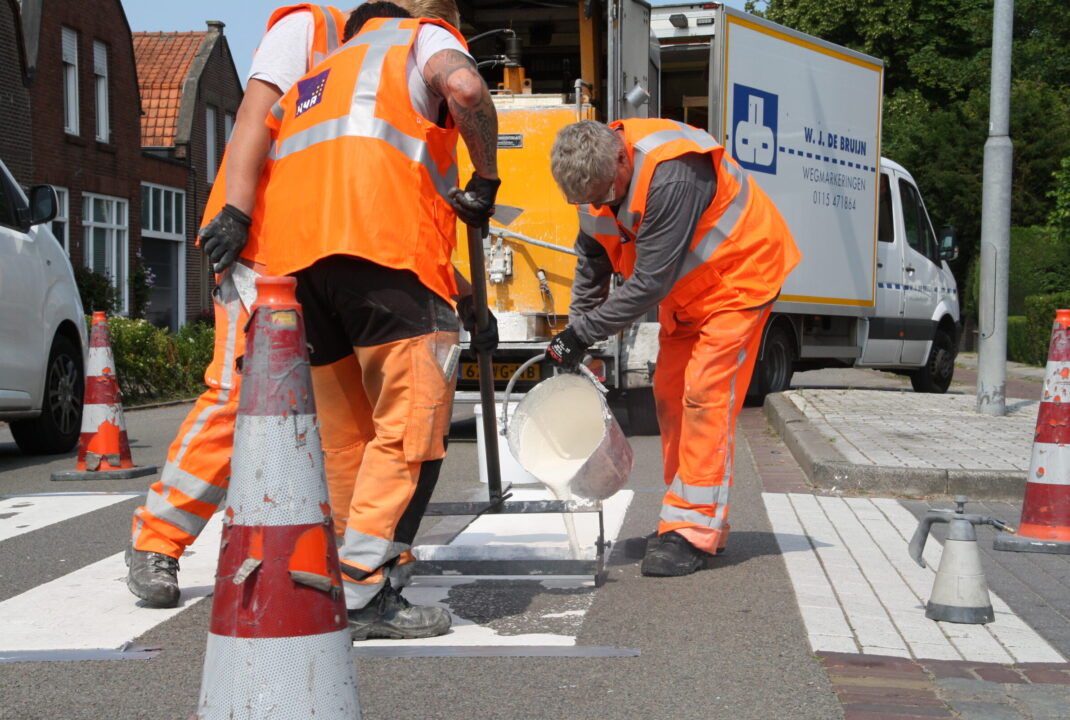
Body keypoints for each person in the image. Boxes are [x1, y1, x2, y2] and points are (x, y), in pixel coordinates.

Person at [125, 0, 491, 609]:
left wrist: (464, 294)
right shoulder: (314, 30)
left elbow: (389, 213)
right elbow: (250, 120)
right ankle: (158, 538)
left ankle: (365, 554)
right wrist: (237, 212)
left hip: (315, 248)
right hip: (262, 245)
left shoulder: (375, 71)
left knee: (357, 423)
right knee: (238, 394)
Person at [257, 5, 500, 638]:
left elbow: (341, 195)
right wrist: (488, 176)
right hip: (390, 262)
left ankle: (337, 581)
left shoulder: (319, 75)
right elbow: (468, 89)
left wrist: (465, 294)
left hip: (300, 272)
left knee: (346, 444)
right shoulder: (419, 38)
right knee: (409, 431)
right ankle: (365, 593)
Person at [546, 118, 800, 577]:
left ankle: (692, 532)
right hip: (690, 295)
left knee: (705, 395)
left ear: (621, 159)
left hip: (739, 281)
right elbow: (593, 261)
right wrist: (575, 332)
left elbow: (649, 282)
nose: (598, 205)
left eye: (604, 194)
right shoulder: (596, 181)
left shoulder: (674, 174)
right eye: (588, 201)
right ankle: (681, 515)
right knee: (668, 396)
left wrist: (581, 336)